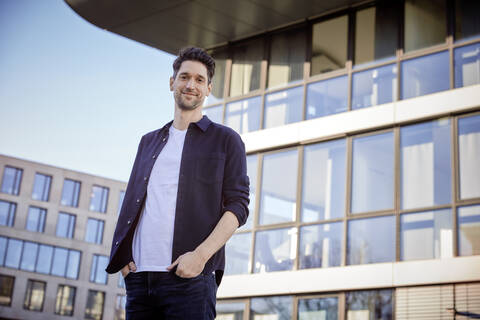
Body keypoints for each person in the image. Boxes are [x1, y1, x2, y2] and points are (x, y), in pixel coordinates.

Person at [105, 47, 250, 319]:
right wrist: (123, 258)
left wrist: (200, 256)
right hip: (140, 280)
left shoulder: (226, 140)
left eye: (198, 80)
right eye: (184, 77)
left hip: (191, 279)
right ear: (172, 82)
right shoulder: (148, 141)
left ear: (208, 88)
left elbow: (238, 207)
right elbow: (132, 202)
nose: (190, 85)